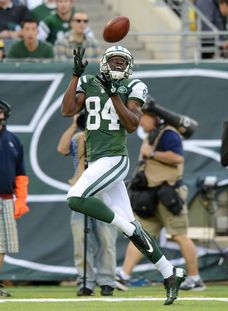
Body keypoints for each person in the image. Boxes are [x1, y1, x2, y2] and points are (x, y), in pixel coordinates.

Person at [61, 45, 186, 305]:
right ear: (105, 63)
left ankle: (125, 226)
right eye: (114, 61)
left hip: (114, 158)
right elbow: (68, 110)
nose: (118, 65)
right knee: (133, 229)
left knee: (75, 197)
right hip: (96, 160)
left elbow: (131, 124)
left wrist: (113, 94)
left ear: (128, 66)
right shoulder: (88, 81)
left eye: (122, 61)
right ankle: (170, 272)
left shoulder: (133, 86)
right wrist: (74, 76)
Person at [115, 98, 205, 291]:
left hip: (168, 193)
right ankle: (123, 276)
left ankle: (195, 278)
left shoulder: (168, 134)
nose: (141, 121)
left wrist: (153, 154)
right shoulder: (153, 135)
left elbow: (178, 158)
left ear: (155, 118)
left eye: (144, 118)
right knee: (140, 235)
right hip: (150, 196)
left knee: (180, 235)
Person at [57, 113, 118, 296]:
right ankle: (85, 281)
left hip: (103, 193)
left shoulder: (107, 137)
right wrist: (75, 124)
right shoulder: (78, 138)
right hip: (79, 192)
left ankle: (107, 281)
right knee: (80, 239)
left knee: (106, 238)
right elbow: (62, 148)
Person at [0, 99, 29, 297]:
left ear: (5, 114)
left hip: (6, 198)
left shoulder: (14, 140)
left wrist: (20, 200)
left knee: (2, 245)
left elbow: (21, 173)